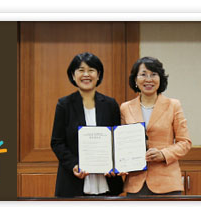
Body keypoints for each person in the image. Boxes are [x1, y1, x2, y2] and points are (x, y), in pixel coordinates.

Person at [50, 52, 123, 197]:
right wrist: (74, 165)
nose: (86, 74)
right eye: (81, 70)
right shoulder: (64, 105)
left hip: (107, 181)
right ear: (73, 75)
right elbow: (57, 142)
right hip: (73, 182)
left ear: (98, 74)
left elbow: (118, 141)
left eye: (91, 70)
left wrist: (114, 165)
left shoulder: (110, 104)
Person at [120, 56, 192, 196]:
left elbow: (185, 142)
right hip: (136, 184)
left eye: (153, 74)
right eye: (143, 74)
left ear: (160, 79)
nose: (148, 79)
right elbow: (121, 144)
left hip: (167, 183)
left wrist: (163, 154)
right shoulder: (125, 108)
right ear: (135, 79)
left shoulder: (173, 105)